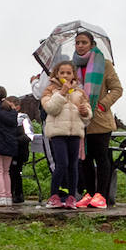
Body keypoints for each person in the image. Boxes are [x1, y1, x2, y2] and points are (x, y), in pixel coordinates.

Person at [71, 30, 122, 209]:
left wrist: (101, 105)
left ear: (92, 44)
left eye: (84, 42)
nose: (80, 45)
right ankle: (89, 193)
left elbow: (117, 89)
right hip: (79, 119)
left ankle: (101, 195)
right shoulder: (71, 67)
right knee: (84, 159)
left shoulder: (105, 64)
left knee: (101, 158)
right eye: (77, 42)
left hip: (100, 120)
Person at [41, 60, 90, 208]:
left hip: (74, 132)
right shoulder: (49, 91)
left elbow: (87, 113)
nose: (65, 75)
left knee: (73, 165)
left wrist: (85, 112)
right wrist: (62, 92)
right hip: (57, 133)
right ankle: (54, 195)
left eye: (69, 73)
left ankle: (71, 197)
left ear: (73, 75)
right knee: (62, 164)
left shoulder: (79, 93)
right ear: (56, 74)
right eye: (62, 72)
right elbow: (50, 109)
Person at [5, 96, 33, 204]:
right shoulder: (4, 117)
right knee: (8, 171)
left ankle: (17, 194)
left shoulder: (23, 118)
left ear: (17, 107)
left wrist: (15, 139)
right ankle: (7, 193)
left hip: (19, 150)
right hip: (7, 149)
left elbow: (29, 135)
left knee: (15, 172)